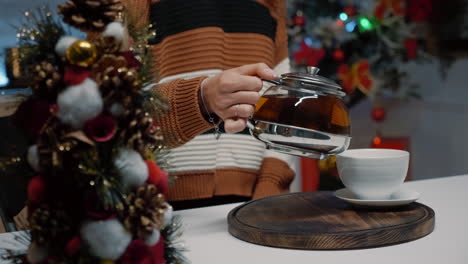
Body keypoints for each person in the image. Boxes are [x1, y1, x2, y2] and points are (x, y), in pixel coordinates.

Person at [124, 0, 296, 210]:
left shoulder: (271, 4)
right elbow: (116, 100)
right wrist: (201, 100)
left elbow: (283, 106)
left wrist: (271, 186)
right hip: (161, 205)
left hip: (254, 204)